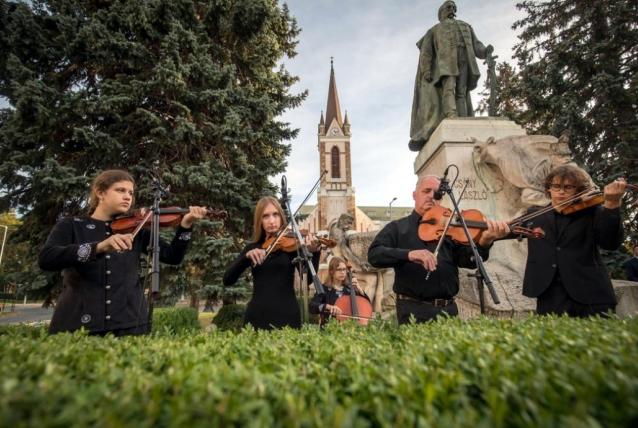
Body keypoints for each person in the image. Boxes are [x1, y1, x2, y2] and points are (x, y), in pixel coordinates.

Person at [39, 169, 207, 336]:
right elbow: (47, 258)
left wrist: (185, 226)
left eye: (131, 193)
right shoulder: (72, 225)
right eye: (120, 190)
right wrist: (99, 247)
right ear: (100, 192)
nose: (128, 196)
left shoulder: (137, 229)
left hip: (130, 323)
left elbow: (172, 257)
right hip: (78, 322)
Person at [368, 175, 510, 324]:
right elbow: (374, 255)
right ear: (414, 195)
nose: (431, 197)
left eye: (437, 194)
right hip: (412, 310)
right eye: (426, 191)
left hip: (448, 310)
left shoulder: (451, 228)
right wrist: (409, 254)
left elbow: (469, 261)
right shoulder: (398, 228)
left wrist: (485, 241)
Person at [522, 164, 626, 316]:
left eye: (568, 187)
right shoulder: (535, 214)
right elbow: (508, 231)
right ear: (548, 188)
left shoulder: (593, 211)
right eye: (556, 186)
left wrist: (612, 204)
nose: (561, 191)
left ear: (579, 190)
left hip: (592, 295)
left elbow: (610, 243)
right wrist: (489, 235)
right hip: (550, 296)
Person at [223, 196, 320, 330]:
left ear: (281, 217)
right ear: (260, 221)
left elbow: (308, 279)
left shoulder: (292, 247)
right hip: (257, 316)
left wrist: (314, 253)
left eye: (275, 215)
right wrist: (246, 257)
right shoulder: (253, 248)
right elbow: (227, 279)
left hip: (288, 316)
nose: (272, 221)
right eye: (266, 216)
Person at [409, 0, 493, 151]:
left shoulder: (465, 26)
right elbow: (426, 53)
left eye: (453, 7)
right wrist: (426, 70)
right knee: (449, 88)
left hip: (465, 60)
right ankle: (451, 115)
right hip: (445, 63)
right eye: (448, 7)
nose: (451, 9)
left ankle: (462, 117)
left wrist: (485, 51)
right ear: (441, 12)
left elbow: (477, 45)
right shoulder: (434, 30)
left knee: (462, 91)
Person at [309, 256, 368, 325]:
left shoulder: (349, 289)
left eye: (344, 269)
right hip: (329, 328)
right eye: (339, 269)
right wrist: (328, 306)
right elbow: (312, 306)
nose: (343, 272)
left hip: (348, 328)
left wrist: (359, 289)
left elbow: (366, 305)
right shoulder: (324, 288)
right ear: (331, 271)